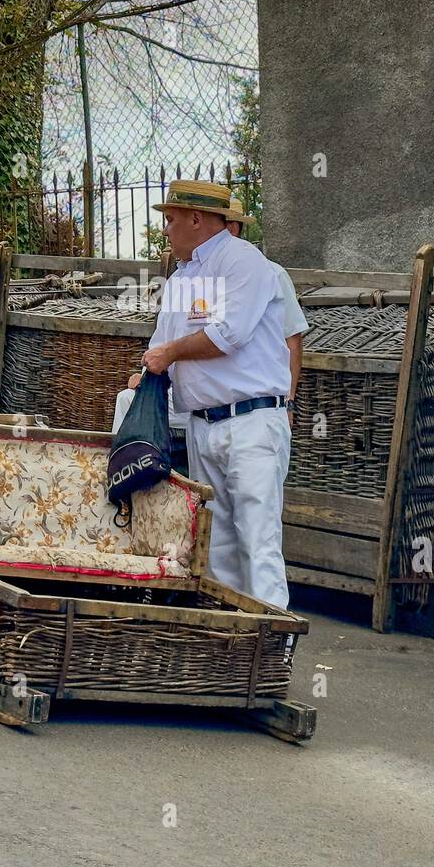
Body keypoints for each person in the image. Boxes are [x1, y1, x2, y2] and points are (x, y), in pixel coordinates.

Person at [140, 179, 294, 608]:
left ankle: (273, 655)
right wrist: (147, 372)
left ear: (196, 219)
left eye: (171, 220)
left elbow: (228, 335)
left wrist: (168, 353)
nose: (166, 230)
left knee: (258, 542)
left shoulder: (242, 260)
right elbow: (161, 346)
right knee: (220, 546)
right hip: (204, 425)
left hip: (251, 423)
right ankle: (237, 651)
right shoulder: (183, 277)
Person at [224, 198, 307, 422]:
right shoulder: (202, 278)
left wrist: (289, 400)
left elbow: (292, 338)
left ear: (232, 229)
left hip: (257, 411)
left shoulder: (272, 273)